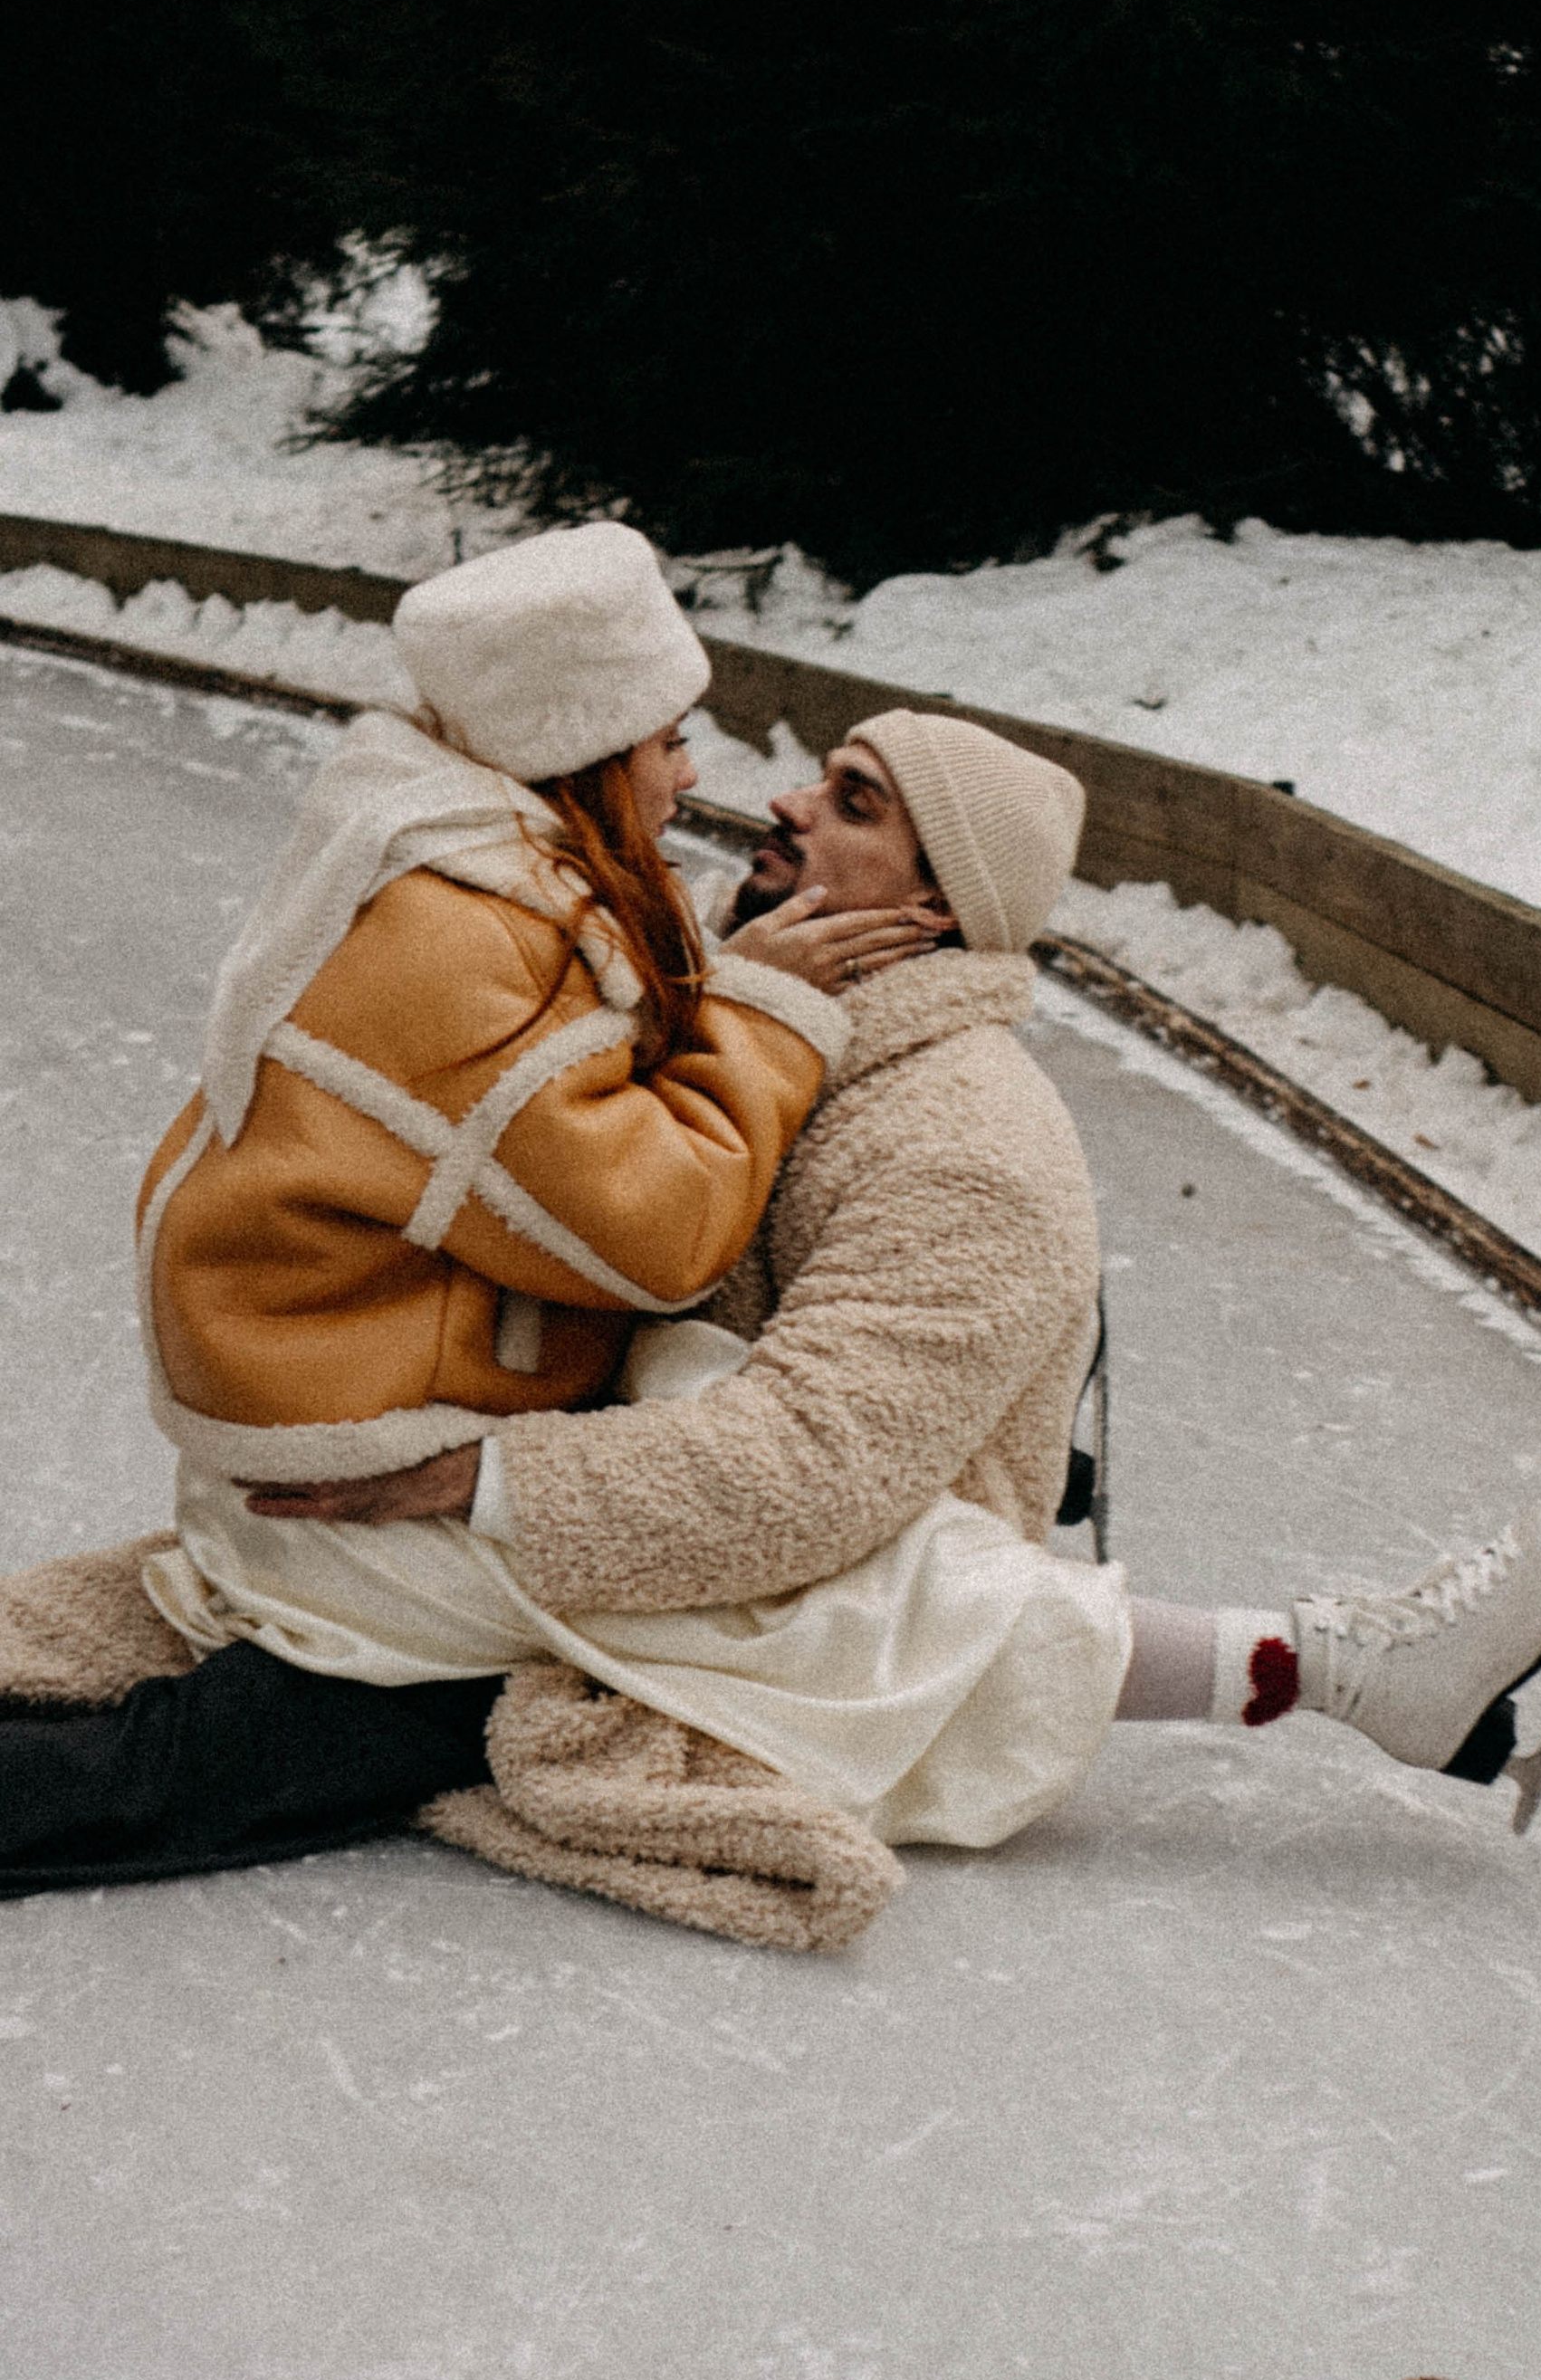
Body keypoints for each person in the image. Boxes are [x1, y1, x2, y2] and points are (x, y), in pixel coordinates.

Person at [0, 523, 933, 1901]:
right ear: (587, 744)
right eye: (669, 737)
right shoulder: (465, 933)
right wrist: (772, 1015)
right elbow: (658, 1229)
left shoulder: (471, 862)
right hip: (356, 1440)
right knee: (364, 1728)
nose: (695, 772)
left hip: (341, 1378)